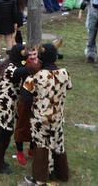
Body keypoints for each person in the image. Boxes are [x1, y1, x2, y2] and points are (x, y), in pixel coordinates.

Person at [22, 43, 72, 186]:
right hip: (57, 117)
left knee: (42, 146)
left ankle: (40, 179)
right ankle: (61, 174)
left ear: (41, 58)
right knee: (58, 143)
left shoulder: (36, 76)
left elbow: (25, 97)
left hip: (41, 119)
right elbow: (68, 87)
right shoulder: (64, 73)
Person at [0, 44, 38, 174]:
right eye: (24, 52)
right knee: (1, 135)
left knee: (5, 134)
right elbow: (23, 71)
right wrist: (37, 63)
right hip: (2, 107)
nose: (26, 54)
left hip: (6, 106)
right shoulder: (10, 68)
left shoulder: (13, 63)